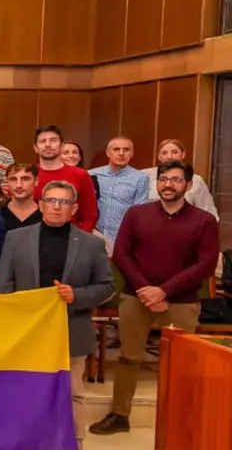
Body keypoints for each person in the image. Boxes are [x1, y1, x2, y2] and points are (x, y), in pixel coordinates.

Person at [90, 161, 219, 436]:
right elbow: (121, 254)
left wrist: (164, 290)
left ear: (188, 184)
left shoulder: (204, 221)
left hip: (181, 301)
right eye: (163, 179)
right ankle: (119, 414)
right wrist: (146, 289)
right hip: (136, 297)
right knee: (128, 358)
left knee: (183, 363)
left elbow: (205, 264)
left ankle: (180, 421)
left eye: (176, 179)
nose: (168, 184)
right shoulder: (137, 214)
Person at [0, 181, 114, 450]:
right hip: (28, 332)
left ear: (74, 209)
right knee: (26, 390)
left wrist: (77, 295)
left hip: (71, 329)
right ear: (41, 204)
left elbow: (106, 287)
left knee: (73, 394)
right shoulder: (16, 238)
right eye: (51, 200)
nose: (57, 207)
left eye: (64, 202)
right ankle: (26, 440)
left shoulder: (91, 244)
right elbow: (5, 285)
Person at [33, 126, 99, 232]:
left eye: (53, 140)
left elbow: (90, 215)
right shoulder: (28, 174)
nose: (48, 145)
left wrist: (80, 238)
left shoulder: (80, 175)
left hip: (70, 235)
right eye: (42, 141)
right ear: (35, 147)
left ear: (62, 146)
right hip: (33, 236)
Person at [88, 136, 150, 248]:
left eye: (126, 150)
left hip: (122, 237)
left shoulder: (140, 178)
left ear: (132, 154)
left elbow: (139, 213)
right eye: (116, 149)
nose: (121, 153)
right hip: (93, 236)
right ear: (108, 153)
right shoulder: (91, 175)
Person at [142, 139, 218, 218]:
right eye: (164, 153)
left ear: (183, 154)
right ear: (159, 156)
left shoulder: (196, 180)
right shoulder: (144, 176)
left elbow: (208, 210)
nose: (169, 156)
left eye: (175, 152)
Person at [0, 163, 41, 231]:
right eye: (13, 179)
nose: (19, 185)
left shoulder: (47, 212)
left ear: (36, 181)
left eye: (25, 179)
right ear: (7, 182)